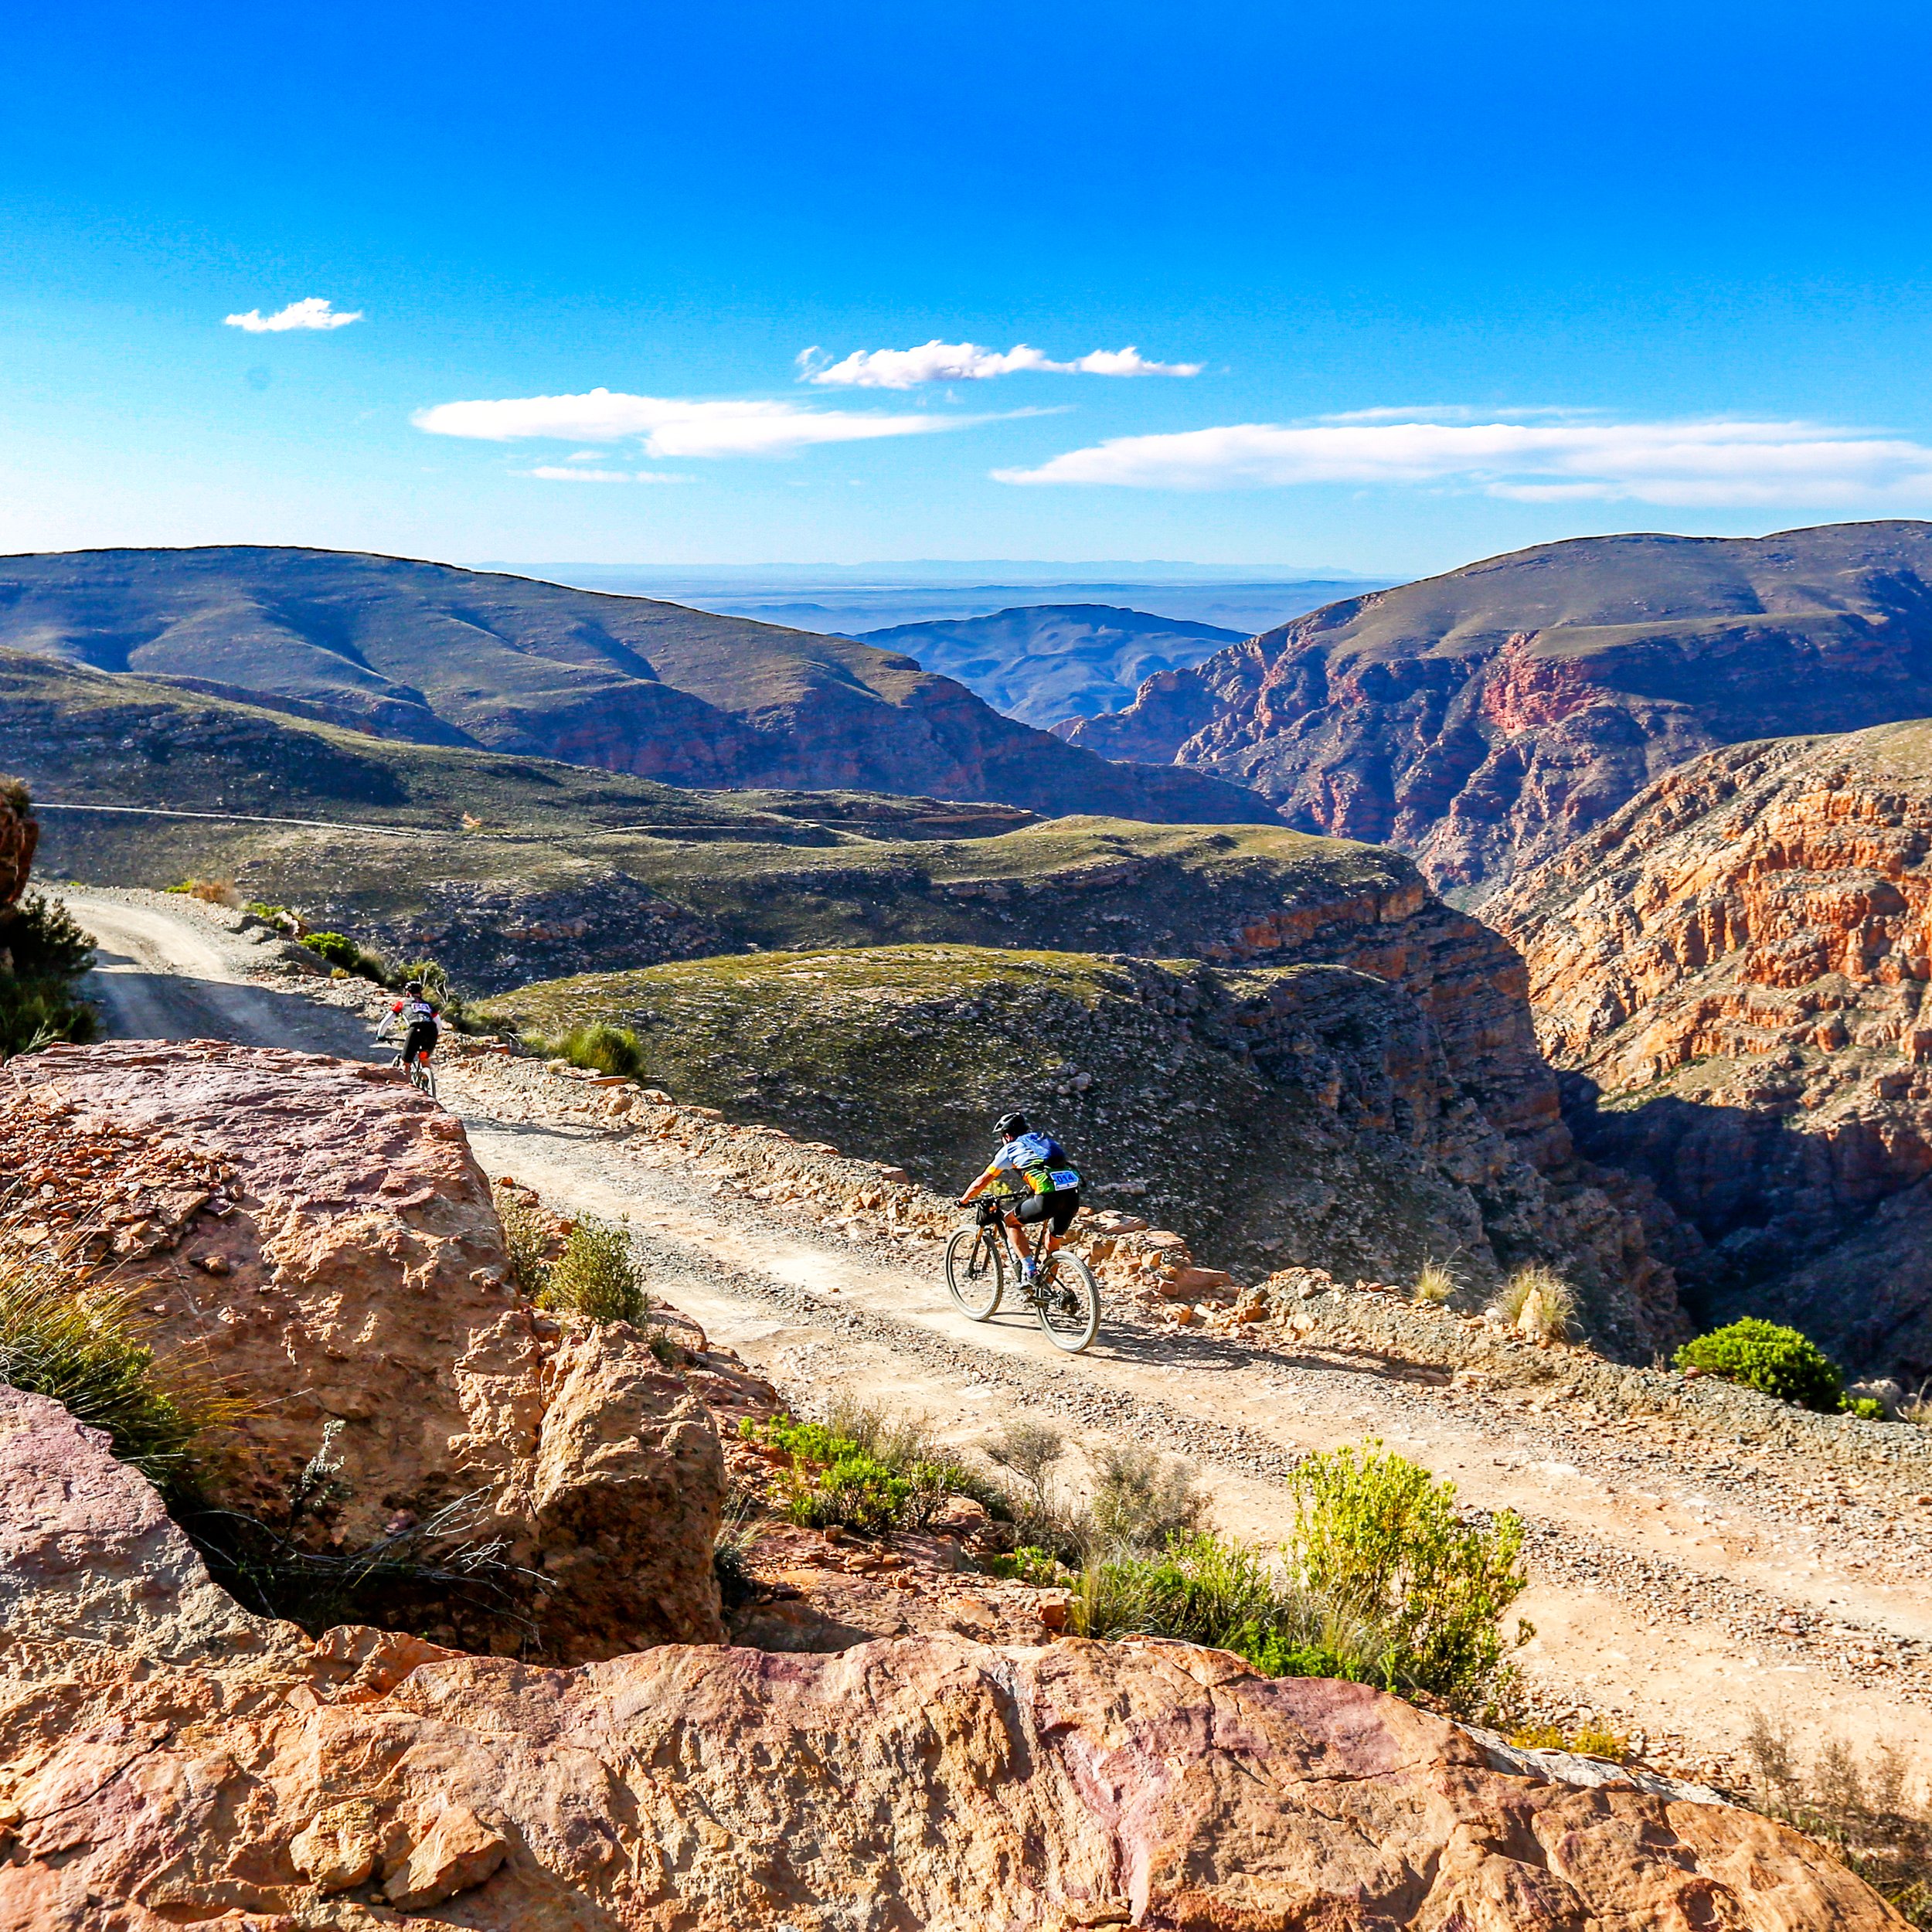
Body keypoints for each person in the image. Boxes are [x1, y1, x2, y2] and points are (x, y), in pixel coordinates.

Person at [959, 1110, 1082, 1283]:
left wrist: (964, 1200)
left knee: (1010, 1222)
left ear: (1007, 1136)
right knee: (1052, 1245)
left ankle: (1030, 1271)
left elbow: (982, 1181)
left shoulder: (1010, 1149)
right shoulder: (1041, 1142)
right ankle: (1045, 1293)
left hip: (1048, 1198)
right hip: (1072, 1196)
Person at [379, 980, 440, 1075]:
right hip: (432, 1030)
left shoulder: (402, 1003)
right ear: (420, 993)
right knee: (424, 1059)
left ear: (407, 993)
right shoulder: (428, 1005)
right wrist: (436, 1035)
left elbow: (387, 1021)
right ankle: (426, 1080)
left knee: (406, 1063)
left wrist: (381, 1035)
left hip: (416, 1029)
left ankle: (406, 1085)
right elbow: (439, 1025)